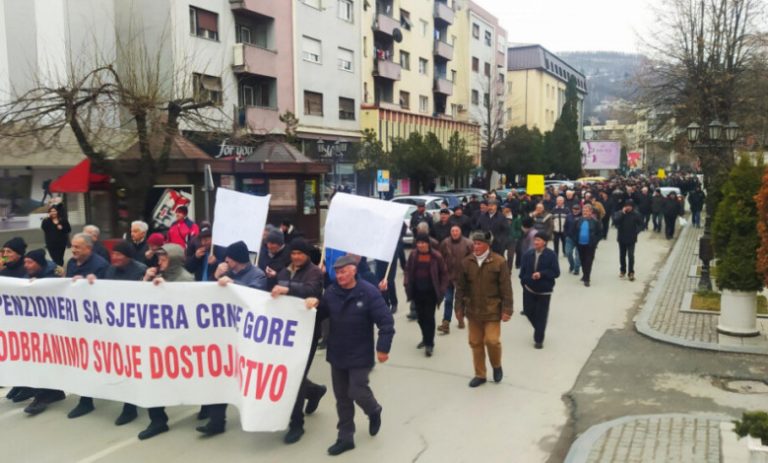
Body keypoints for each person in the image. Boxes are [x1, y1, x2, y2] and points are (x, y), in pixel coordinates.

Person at [305, 255, 395, 456]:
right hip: (337, 353)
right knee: (342, 398)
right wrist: (314, 305)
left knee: (356, 390)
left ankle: (374, 410)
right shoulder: (331, 292)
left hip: (360, 353)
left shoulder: (369, 293)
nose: (340, 275)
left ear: (354, 270)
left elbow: (386, 321)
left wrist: (383, 348)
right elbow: (321, 315)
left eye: (343, 271)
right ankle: (345, 437)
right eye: (337, 272)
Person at [198, 241, 267, 436]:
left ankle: (310, 391)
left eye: (229, 257)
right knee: (220, 374)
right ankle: (216, 421)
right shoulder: (225, 272)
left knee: (253, 377)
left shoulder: (257, 275)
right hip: (226, 335)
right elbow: (209, 295)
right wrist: (215, 276)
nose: (225, 260)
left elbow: (256, 296)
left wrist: (233, 284)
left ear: (237, 259)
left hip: (249, 336)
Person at [135, 243, 195, 439]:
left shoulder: (186, 279)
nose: (159, 262)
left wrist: (166, 289)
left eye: (164, 258)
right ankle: (158, 420)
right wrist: (146, 281)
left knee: (193, 378)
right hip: (157, 340)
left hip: (179, 341)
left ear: (175, 259)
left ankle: (208, 407)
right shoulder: (156, 277)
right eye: (159, 258)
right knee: (153, 378)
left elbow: (185, 310)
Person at [271, 238, 327, 444]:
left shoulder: (315, 272)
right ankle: (315, 391)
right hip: (286, 333)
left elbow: (312, 291)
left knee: (295, 376)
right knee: (288, 374)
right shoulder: (283, 272)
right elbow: (274, 292)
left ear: (307, 255)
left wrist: (288, 291)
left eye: (300, 253)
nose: (296, 257)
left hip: (307, 333)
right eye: (293, 253)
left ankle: (297, 424)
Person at [454, 231, 513, 388]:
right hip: (473, 310)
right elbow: (460, 288)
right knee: (475, 342)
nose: (476, 246)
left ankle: (496, 365)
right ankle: (480, 374)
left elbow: (506, 288)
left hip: (493, 309)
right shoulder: (466, 262)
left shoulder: (499, 262)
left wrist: (507, 309)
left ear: (488, 245)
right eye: (474, 243)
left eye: (479, 244)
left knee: (492, 341)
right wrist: (458, 307)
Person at [65, 233, 109, 419]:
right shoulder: (71, 263)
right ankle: (86, 400)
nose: (73, 250)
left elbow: (107, 293)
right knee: (82, 360)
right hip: (77, 321)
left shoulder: (100, 266)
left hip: (96, 323)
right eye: (72, 246)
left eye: (78, 247)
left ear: (89, 249)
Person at [20, 249, 66, 415]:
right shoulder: (31, 276)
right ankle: (49, 393)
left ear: (39, 263)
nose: (26, 266)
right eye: (25, 262)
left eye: (30, 262)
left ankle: (44, 395)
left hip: (53, 328)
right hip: (38, 328)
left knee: (46, 361)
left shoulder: (53, 275)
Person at [404, 234, 448, 357]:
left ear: (428, 243)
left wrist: (442, 289)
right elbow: (407, 270)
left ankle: (429, 344)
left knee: (429, 317)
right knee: (420, 317)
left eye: (423, 243)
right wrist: (406, 282)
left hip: (431, 292)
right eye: (419, 243)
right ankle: (425, 338)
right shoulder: (413, 255)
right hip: (417, 291)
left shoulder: (436, 256)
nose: (421, 245)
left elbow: (444, 274)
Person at [519, 232, 560, 349]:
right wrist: (524, 283)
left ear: (545, 242)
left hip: (544, 291)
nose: (535, 242)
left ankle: (539, 339)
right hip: (529, 289)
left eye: (538, 240)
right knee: (528, 311)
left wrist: (541, 274)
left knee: (541, 315)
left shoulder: (551, 255)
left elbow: (556, 272)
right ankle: (539, 328)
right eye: (535, 239)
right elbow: (522, 272)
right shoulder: (528, 254)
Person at [438, 225, 473, 333]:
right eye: (452, 231)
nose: (454, 233)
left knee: (461, 301)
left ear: (460, 232)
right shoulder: (445, 243)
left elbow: (473, 258)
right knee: (448, 300)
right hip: (448, 277)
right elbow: (440, 257)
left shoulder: (468, 243)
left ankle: (460, 318)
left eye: (456, 231)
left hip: (462, 278)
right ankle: (446, 322)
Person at [613, 200, 644, 281]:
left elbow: (641, 225)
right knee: (622, 255)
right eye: (626, 205)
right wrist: (622, 214)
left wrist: (636, 231)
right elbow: (615, 221)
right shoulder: (619, 213)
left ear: (632, 206)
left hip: (631, 238)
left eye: (630, 206)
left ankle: (631, 272)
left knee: (630, 256)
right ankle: (622, 270)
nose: (628, 207)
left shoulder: (636, 214)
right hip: (622, 238)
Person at [572, 204, 602, 287]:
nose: (585, 212)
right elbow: (573, 231)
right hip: (580, 244)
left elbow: (600, 233)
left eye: (587, 211)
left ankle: (587, 279)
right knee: (582, 261)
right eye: (584, 210)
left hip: (590, 245)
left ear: (591, 212)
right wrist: (575, 241)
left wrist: (595, 242)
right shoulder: (578, 220)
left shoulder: (595, 221)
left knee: (588, 261)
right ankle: (585, 275)